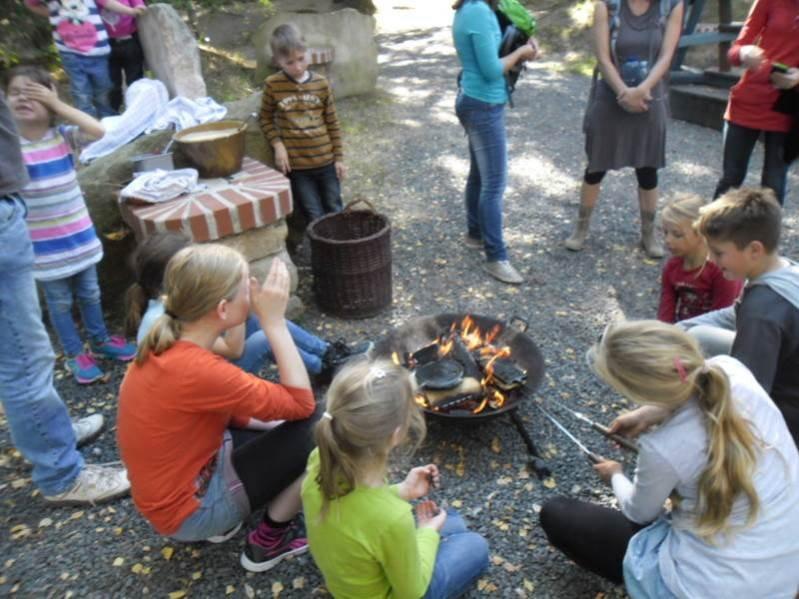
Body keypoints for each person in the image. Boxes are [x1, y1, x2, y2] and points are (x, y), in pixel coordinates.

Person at [540, 320, 799, 597]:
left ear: (637, 392)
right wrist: (651, 412)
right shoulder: (730, 369)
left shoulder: (663, 448)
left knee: (557, 514)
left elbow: (639, 513)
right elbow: (698, 405)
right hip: (785, 569)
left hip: (711, 587)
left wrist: (615, 474)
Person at [117, 245, 320, 572]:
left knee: (281, 426)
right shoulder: (201, 370)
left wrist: (270, 429)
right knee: (321, 424)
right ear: (223, 309)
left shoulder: (165, 340)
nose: (253, 292)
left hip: (172, 498)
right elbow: (302, 403)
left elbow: (210, 407)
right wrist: (275, 323)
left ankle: (227, 520)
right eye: (246, 287)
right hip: (192, 513)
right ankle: (269, 540)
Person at [0, 90, 129, 505]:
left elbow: (98, 130)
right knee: (25, 359)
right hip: (27, 236)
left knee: (29, 348)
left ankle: (50, 430)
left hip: (35, 224)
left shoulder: (59, 134)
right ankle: (60, 473)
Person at [302, 359, 489, 598]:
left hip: (346, 574)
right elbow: (411, 592)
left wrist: (401, 490)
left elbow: (356, 508)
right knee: (475, 544)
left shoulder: (320, 459)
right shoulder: (393, 518)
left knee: (453, 520)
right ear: (396, 435)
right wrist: (427, 533)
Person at [7, 65, 137, 385]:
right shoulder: (9, 149)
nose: (24, 97)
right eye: (15, 93)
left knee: (91, 293)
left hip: (79, 238)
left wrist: (59, 105)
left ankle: (101, 340)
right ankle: (75, 353)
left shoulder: (63, 137)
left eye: (33, 91)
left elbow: (100, 132)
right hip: (43, 248)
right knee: (60, 302)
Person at [126, 232, 371, 376]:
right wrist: (242, 304)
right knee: (263, 335)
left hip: (204, 365)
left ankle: (328, 353)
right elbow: (234, 350)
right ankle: (324, 369)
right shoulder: (162, 319)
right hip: (204, 383)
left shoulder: (168, 300)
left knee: (257, 320)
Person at [679, 188, 799, 446]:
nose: (711, 259)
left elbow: (748, 396)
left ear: (754, 250)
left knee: (698, 352)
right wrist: (672, 330)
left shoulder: (762, 313)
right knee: (693, 334)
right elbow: (734, 313)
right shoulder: (783, 271)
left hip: (788, 420)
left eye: (719, 252)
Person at [564, 0, 684, 258]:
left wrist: (642, 90)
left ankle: (648, 234)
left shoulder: (671, 6)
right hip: (611, 96)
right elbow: (603, 58)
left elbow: (667, 55)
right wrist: (624, 92)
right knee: (595, 166)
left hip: (650, 98)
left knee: (648, 168)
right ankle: (581, 228)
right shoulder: (607, 6)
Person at [453, 0, 539, 285]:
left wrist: (523, 46)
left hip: (479, 101)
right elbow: (491, 69)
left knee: (479, 173)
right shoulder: (477, 10)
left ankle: (475, 233)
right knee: (494, 183)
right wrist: (521, 52)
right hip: (483, 105)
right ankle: (496, 257)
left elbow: (495, 49)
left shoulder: (481, 8)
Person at [712, 0, 799, 206]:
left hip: (786, 106)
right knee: (731, 178)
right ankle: (711, 234)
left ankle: (764, 238)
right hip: (750, 99)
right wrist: (743, 53)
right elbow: (735, 51)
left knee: (773, 185)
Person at [259, 23, 345, 226]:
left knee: (335, 207)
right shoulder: (273, 85)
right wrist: (278, 145)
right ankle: (324, 253)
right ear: (277, 61)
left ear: (307, 52)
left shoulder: (322, 84)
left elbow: (333, 122)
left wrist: (339, 158)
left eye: (301, 59)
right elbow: (264, 118)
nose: (297, 66)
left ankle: (342, 253)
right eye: (289, 62)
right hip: (298, 168)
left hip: (326, 162)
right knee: (312, 214)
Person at [24, 0, 145, 117]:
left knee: (104, 87)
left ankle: (108, 118)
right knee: (81, 90)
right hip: (69, 50)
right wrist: (52, 13)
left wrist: (130, 11)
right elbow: (31, 4)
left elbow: (107, 2)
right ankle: (88, 122)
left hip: (98, 48)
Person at [657, 193, 741, 323]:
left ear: (701, 232)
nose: (668, 240)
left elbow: (722, 318)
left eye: (677, 235)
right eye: (665, 232)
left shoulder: (722, 270)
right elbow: (665, 311)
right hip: (685, 331)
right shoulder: (672, 267)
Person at [100, 0, 147, 112]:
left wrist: (139, 6)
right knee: (112, 83)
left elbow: (137, 3)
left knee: (135, 79)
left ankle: (138, 110)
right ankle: (114, 112)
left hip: (130, 39)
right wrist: (131, 11)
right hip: (107, 43)